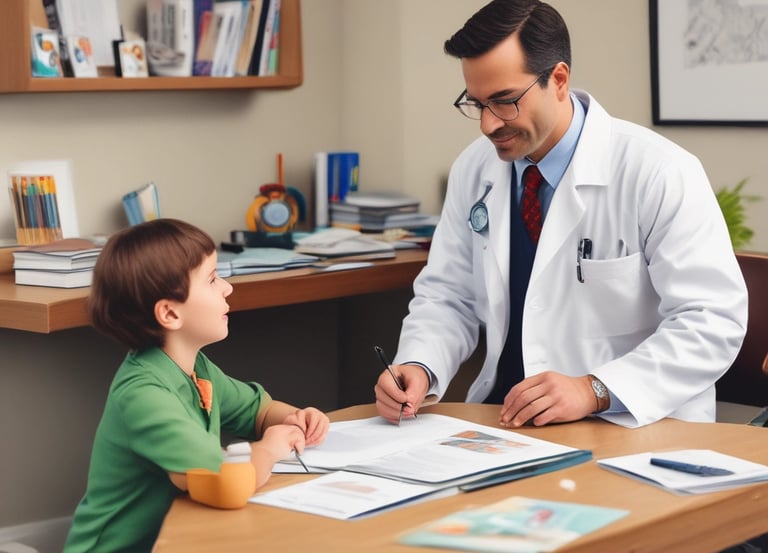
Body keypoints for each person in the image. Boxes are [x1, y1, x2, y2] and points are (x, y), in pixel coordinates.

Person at [374, 0, 747, 430]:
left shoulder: (659, 171)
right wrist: (420, 365)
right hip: (505, 422)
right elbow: (449, 296)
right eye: (476, 104)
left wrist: (594, 389)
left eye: (505, 101)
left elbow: (712, 321)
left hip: (630, 425)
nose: (488, 126)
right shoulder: (475, 168)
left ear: (559, 79)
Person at [63, 218, 329, 553]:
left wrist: (295, 418)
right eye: (213, 278)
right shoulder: (143, 394)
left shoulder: (194, 367)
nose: (228, 287)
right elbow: (225, 484)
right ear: (170, 314)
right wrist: (270, 450)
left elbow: (257, 411)